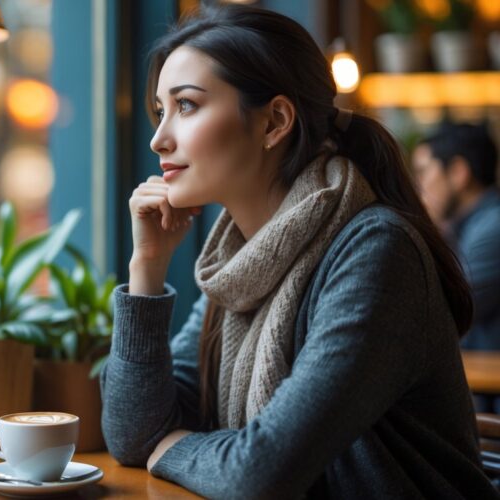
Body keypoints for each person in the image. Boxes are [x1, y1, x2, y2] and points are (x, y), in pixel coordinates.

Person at [99, 5, 498, 499]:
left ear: (274, 122)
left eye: (186, 106)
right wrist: (147, 269)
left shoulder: (375, 251)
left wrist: (177, 449)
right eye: (161, 111)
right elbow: (136, 435)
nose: (160, 138)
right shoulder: (239, 263)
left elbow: (262, 472)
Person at [413, 123, 500, 351]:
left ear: (459, 172)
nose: (419, 187)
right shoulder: (469, 225)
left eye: (423, 172)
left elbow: (444, 312)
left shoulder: (493, 228)